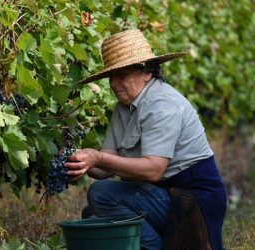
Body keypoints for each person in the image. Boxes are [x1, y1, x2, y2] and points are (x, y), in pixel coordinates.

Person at [66, 29, 227, 250]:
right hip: (162, 195)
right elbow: (105, 167)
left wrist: (98, 157)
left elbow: (154, 170)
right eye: (111, 76)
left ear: (147, 72)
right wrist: (82, 163)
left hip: (193, 199)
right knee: (94, 214)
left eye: (122, 74)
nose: (113, 83)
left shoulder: (161, 105)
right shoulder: (124, 108)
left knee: (101, 196)